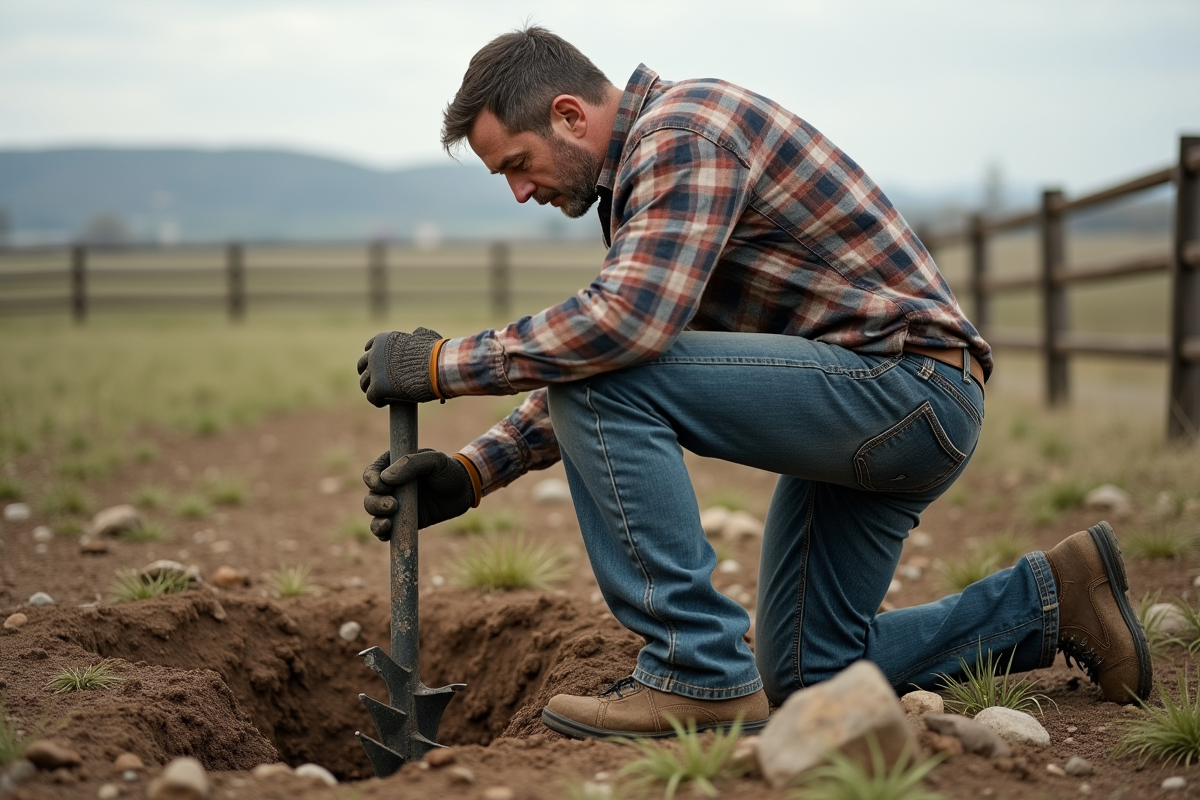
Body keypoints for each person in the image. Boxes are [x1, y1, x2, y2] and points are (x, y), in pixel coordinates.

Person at [356, 25, 1151, 740]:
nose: (520, 192)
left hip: (901, 392)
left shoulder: (684, 132)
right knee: (808, 673)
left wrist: (441, 365)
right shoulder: (656, 165)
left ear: (569, 115)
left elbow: (617, 332)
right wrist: (472, 473)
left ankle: (692, 672)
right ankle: (1053, 599)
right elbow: (616, 347)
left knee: (597, 383)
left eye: (518, 165)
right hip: (881, 406)